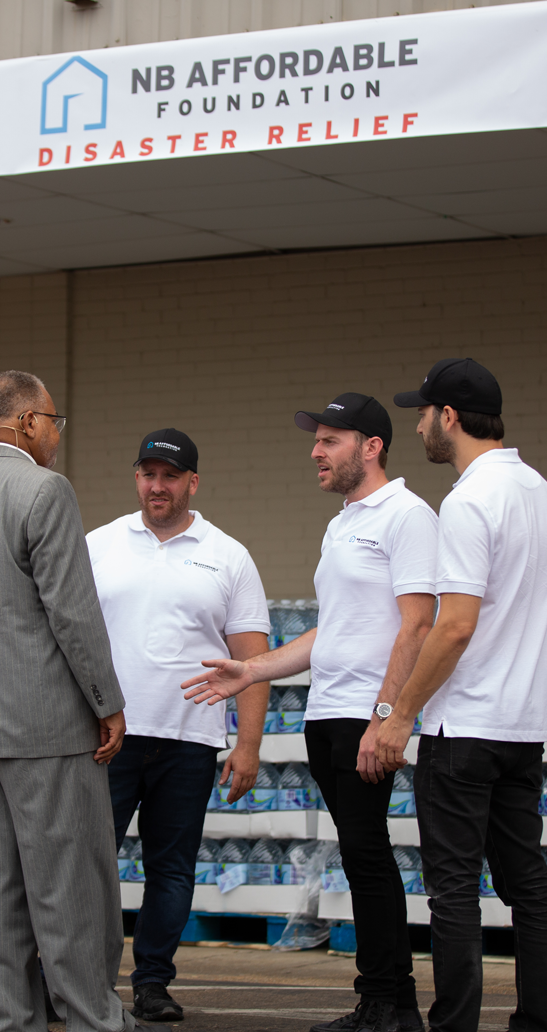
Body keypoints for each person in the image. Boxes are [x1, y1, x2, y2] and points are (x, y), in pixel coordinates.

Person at [181, 393, 437, 1032]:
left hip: (362, 717)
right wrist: (254, 669)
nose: (315, 451)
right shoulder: (342, 522)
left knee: (368, 856)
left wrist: (387, 715)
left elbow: (418, 624)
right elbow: (334, 630)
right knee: (359, 856)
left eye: (330, 440)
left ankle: (388, 1005)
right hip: (327, 712)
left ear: (370, 447)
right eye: (316, 439)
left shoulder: (406, 515)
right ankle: (386, 1002)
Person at [374, 358, 547, 1032]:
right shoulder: (539, 491)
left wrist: (399, 713)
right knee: (527, 885)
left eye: (422, 413)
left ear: (451, 418)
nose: (418, 425)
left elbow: (456, 623)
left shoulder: (467, 501)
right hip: (520, 729)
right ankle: (533, 1023)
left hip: (460, 730)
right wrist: (522, 657)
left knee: (455, 890)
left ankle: (455, 1027)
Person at [0, 370, 133, 1032]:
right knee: (70, 890)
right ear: (27, 422)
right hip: (45, 723)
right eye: (53, 421)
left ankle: (8, 1019)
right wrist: (106, 699)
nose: (55, 435)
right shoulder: (45, 490)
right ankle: (92, 1018)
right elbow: (71, 611)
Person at [87, 428, 272, 1023]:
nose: (157, 486)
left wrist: (247, 746)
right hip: (106, 738)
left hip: (189, 738)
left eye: (170, 476)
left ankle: (153, 984)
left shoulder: (228, 554)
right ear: (136, 478)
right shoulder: (98, 544)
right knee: (91, 865)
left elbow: (254, 660)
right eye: (148, 474)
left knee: (172, 869)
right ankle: (83, 980)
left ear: (193, 481)